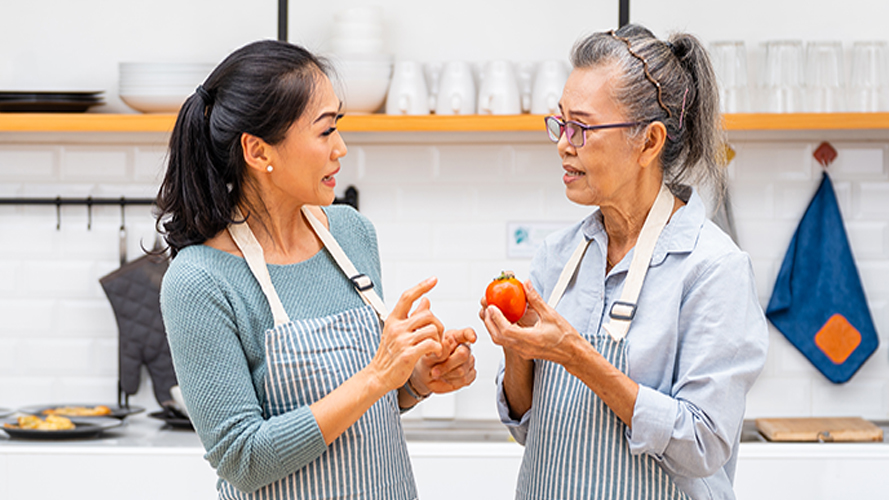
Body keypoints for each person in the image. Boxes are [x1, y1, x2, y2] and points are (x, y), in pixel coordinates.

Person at [156, 40, 477, 500]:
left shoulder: (351, 234)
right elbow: (242, 459)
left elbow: (362, 416)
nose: (341, 148)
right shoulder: (200, 281)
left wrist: (415, 382)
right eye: (325, 131)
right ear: (258, 151)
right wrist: (377, 377)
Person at [481, 24, 769, 500]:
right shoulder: (558, 258)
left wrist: (577, 356)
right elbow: (529, 429)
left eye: (582, 127)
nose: (563, 143)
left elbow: (703, 443)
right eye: (560, 123)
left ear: (649, 142)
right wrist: (517, 348)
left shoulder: (712, 268)